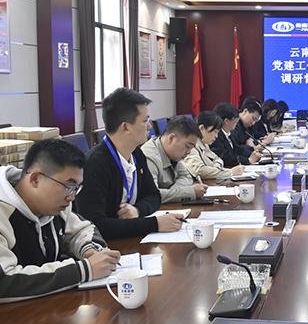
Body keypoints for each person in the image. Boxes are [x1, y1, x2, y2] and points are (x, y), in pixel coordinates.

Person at [0, 139, 121, 303]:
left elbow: (81, 229)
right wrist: (84, 270)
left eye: (77, 188)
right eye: (68, 186)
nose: (72, 197)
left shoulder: (55, 205)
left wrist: (89, 250)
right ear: (35, 179)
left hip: (46, 307)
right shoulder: (4, 213)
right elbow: (4, 281)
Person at [76, 88, 182, 239]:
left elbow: (154, 195)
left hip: (131, 238)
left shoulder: (136, 154)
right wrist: (154, 224)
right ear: (126, 127)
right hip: (106, 246)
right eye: (144, 121)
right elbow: (95, 225)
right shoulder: (95, 164)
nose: (149, 126)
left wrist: (137, 210)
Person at [141, 115, 208, 204]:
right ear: (171, 138)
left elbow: (186, 176)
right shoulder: (149, 157)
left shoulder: (172, 153)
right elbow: (152, 195)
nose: (189, 152)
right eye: (187, 146)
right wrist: (190, 192)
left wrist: (173, 192)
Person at [184, 111, 246, 180]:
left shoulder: (204, 144)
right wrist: (230, 172)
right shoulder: (191, 146)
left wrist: (215, 168)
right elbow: (199, 170)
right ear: (202, 128)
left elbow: (218, 159)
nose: (216, 136)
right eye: (215, 132)